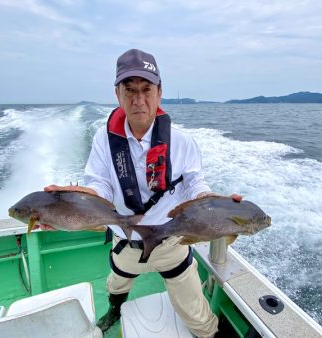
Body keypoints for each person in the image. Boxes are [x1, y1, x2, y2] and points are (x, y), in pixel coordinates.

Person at [45, 49, 240, 338]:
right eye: (130, 90)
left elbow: (195, 184)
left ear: (159, 93)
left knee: (198, 315)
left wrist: (213, 203)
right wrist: (81, 197)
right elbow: (100, 185)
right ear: (118, 94)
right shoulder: (104, 140)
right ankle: (114, 309)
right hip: (127, 242)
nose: (138, 99)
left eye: (146, 89)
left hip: (170, 244)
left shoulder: (182, 142)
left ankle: (209, 333)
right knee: (116, 284)